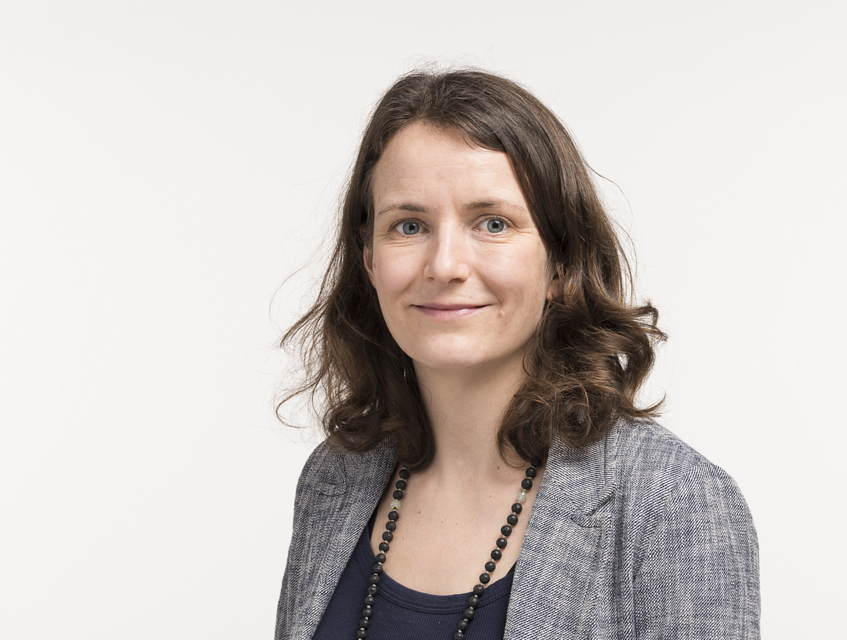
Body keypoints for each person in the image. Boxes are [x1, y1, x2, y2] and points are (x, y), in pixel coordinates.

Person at [274, 69, 759, 640]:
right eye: (408, 226)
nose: (445, 265)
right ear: (369, 259)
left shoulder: (675, 504)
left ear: (561, 263)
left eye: (493, 223)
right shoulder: (334, 478)